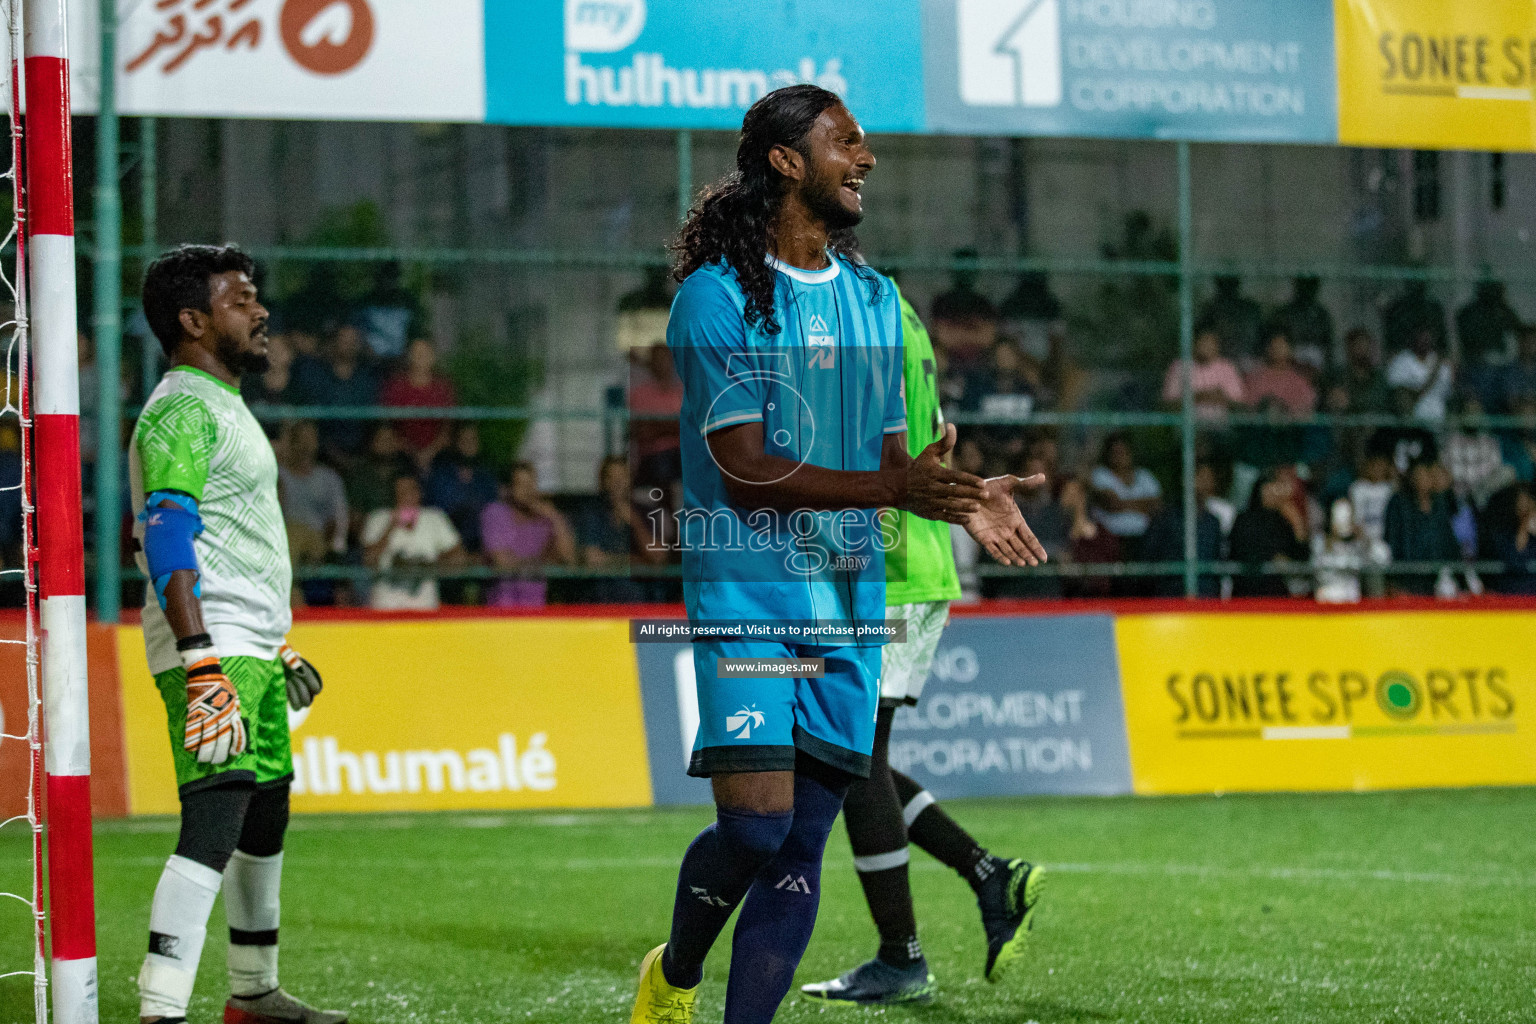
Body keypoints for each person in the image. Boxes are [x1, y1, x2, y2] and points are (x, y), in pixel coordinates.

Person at [631, 85, 1047, 1024]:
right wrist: (896, 490)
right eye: (845, 142)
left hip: (853, 608)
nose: (867, 158)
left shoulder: (872, 296)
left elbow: (894, 460)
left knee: (802, 846)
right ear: (785, 161)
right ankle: (675, 973)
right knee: (754, 825)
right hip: (747, 598)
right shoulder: (717, 296)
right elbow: (742, 469)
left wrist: (958, 492)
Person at [802, 288, 1044, 1006]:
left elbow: (886, 452)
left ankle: (902, 955)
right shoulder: (893, 305)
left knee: (852, 759)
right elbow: (931, 437)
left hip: (891, 567)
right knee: (851, 757)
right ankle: (987, 877)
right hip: (907, 560)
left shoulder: (851, 313)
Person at [128, 245, 343, 1024]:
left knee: (265, 811)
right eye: (240, 299)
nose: (260, 312)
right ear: (193, 320)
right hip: (212, 651)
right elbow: (165, 532)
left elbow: (220, 540)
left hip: (246, 645)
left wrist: (273, 643)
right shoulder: (182, 408)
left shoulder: (220, 404)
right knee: (214, 819)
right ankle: (161, 1008)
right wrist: (201, 663)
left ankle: (253, 991)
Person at [360, 473, 465, 611]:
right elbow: (368, 561)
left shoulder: (434, 518)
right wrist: (391, 527)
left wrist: (426, 565)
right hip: (385, 609)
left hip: (425, 608)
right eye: (401, 492)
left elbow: (459, 557)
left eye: (411, 490)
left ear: (419, 493)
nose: (406, 496)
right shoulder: (378, 518)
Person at [480, 461, 576, 607]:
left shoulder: (544, 518)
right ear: (508, 489)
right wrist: (541, 562)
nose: (528, 491)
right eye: (521, 485)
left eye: (531, 484)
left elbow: (569, 558)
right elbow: (502, 562)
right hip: (501, 608)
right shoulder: (495, 513)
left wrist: (554, 517)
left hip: (536, 608)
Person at [296, 324, 378, 464]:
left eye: (353, 340)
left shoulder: (368, 378)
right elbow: (312, 418)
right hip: (321, 455)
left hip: (364, 454)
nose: (348, 345)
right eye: (344, 340)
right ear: (334, 341)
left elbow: (373, 421)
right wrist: (330, 450)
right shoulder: (317, 376)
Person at [1384, 457, 1461, 596]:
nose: (1424, 479)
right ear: (1411, 477)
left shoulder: (1440, 503)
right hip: (1408, 575)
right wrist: (1395, 579)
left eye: (1427, 474)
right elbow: (1393, 541)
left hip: (1438, 576)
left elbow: (1449, 541)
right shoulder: (1399, 503)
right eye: (1419, 474)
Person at [1229, 470, 1310, 598]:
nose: (1274, 493)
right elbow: (1241, 552)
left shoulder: (1284, 521)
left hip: (1278, 596)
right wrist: (1272, 558)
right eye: (1269, 488)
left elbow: (1302, 556)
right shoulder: (1245, 520)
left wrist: (1297, 523)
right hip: (1248, 594)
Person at [380, 336, 456, 469]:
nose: (421, 357)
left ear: (433, 357)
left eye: (425, 353)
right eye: (417, 353)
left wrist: (430, 452)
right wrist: (411, 452)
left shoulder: (443, 388)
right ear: (410, 356)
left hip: (438, 455)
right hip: (402, 455)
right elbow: (388, 426)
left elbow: (448, 428)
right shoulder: (396, 386)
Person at [277, 420, 348, 561]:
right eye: (301, 438)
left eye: (310, 438)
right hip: (284, 536)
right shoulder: (278, 475)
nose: (305, 445)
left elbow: (338, 518)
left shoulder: (329, 478)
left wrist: (331, 547)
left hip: (317, 538)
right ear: (292, 442)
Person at [425, 422, 499, 554]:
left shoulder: (486, 478)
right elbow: (434, 515)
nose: (469, 445)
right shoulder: (441, 476)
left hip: (481, 548)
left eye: (473, 440)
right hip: (446, 547)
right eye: (464, 440)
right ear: (456, 443)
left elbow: (493, 515)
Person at [1089, 433, 1162, 561]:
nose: (1120, 456)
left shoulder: (1145, 476)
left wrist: (1122, 503)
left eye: (1124, 452)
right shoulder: (1101, 475)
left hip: (1144, 539)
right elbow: (1112, 504)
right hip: (1112, 540)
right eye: (1116, 452)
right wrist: (1143, 504)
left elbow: (1157, 507)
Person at [1161, 326, 1245, 420]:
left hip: (1220, 428)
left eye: (1211, 343)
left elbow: (1240, 405)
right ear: (1195, 343)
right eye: (1203, 342)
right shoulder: (1179, 367)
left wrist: (1221, 397)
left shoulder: (1227, 368)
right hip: (1189, 426)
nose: (1207, 346)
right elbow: (1167, 405)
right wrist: (1197, 397)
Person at [1385, 325, 1455, 421]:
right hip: (1412, 423)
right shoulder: (1401, 361)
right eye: (1421, 337)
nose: (1424, 340)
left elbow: (1448, 393)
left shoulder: (1441, 363)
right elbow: (1398, 394)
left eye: (1427, 337)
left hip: (1440, 420)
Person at [1245, 327, 1317, 417]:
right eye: (1273, 346)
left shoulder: (1299, 380)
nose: (1277, 349)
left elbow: (1307, 405)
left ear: (1290, 349)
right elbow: (1249, 404)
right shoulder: (1256, 376)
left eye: (1281, 346)